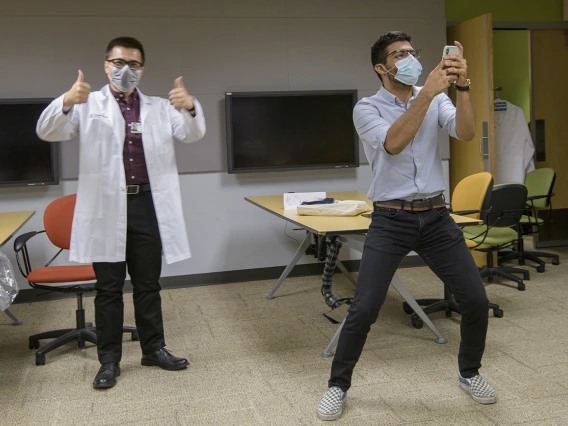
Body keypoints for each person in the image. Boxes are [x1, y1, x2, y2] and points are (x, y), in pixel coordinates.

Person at [316, 31, 496, 421]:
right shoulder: (367, 108)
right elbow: (394, 143)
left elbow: (465, 132)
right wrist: (428, 93)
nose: (410, 58)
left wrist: (461, 86)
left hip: (435, 216)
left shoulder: (436, 98)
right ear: (382, 67)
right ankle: (337, 386)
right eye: (400, 54)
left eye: (413, 52)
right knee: (364, 309)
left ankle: (470, 373)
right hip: (390, 219)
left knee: (476, 301)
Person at [36, 36, 206, 389]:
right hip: (106, 206)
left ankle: (153, 349)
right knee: (109, 288)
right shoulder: (88, 103)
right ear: (105, 65)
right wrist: (67, 101)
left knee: (148, 284)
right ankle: (109, 360)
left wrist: (189, 106)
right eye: (118, 63)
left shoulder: (159, 107)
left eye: (133, 64)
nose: (125, 70)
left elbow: (192, 134)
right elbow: (48, 130)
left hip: (146, 203)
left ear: (142, 69)